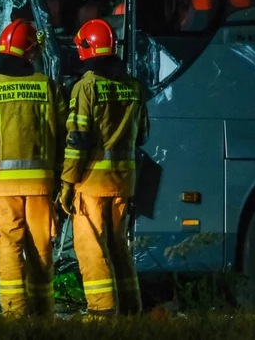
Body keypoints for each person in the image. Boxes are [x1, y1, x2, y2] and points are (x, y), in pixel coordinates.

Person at [0, 19, 65, 317]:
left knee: (8, 254)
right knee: (41, 256)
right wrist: (62, 178)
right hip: (42, 189)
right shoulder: (47, 87)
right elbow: (64, 135)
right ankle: (43, 317)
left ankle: (14, 317)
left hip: (3, 190)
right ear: (30, 54)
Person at [59, 19, 149, 316]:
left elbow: (78, 140)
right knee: (118, 247)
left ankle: (102, 313)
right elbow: (144, 134)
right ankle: (130, 308)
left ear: (88, 50)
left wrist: (68, 184)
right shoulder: (134, 86)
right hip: (124, 182)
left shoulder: (86, 88)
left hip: (92, 184)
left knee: (92, 249)